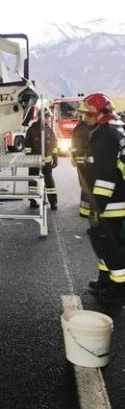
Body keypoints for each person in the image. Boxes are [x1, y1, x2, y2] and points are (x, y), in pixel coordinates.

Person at [79, 93, 125, 304]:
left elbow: (106, 174)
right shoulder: (107, 130)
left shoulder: (107, 135)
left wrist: (99, 205)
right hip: (108, 201)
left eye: (88, 113)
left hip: (110, 203)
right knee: (103, 243)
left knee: (111, 245)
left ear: (101, 114)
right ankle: (105, 280)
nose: (84, 117)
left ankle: (117, 290)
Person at [23, 109, 58, 210]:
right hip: (35, 161)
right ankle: (36, 201)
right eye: (46, 117)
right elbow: (27, 145)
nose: (48, 119)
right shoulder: (33, 129)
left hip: (44, 161)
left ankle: (50, 202)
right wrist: (30, 157)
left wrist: (55, 157)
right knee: (36, 181)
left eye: (48, 117)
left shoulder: (48, 130)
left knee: (47, 181)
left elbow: (54, 145)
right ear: (40, 117)